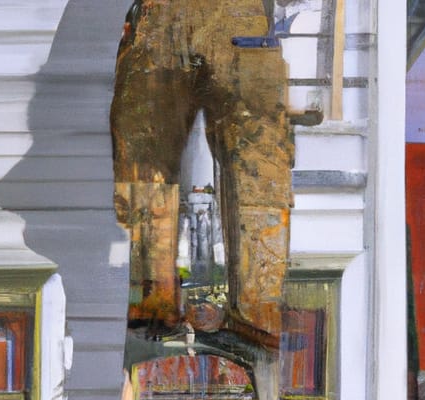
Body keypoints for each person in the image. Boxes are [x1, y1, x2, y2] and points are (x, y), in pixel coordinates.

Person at [111, 0, 294, 341]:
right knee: (256, 170)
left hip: (172, 19)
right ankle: (254, 314)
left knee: (146, 164)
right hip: (238, 23)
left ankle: (156, 304)